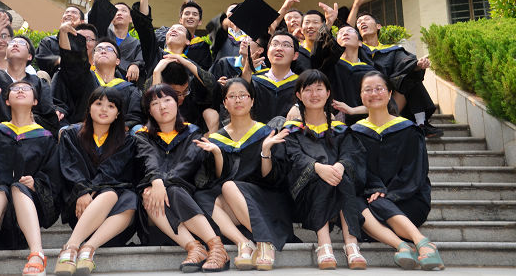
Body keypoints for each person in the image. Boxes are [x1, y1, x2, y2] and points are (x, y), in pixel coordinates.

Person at [0, 80, 61, 276]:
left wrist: (36, 184)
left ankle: (37, 254)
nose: (20, 90)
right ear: (7, 101)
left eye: (26, 88)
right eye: (15, 89)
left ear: (35, 101)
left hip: (30, 220)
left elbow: (54, 178)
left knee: (17, 187)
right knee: (0, 191)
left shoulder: (46, 137)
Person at [194, 78, 293, 270]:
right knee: (201, 197)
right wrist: (217, 154)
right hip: (235, 203)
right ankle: (243, 242)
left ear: (252, 100)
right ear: (224, 103)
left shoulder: (267, 133)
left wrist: (265, 151)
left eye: (242, 95)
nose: (238, 100)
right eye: (231, 96)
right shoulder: (217, 138)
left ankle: (265, 242)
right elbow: (218, 178)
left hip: (265, 200)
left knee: (229, 186)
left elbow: (272, 179)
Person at [350, 72, 444, 271]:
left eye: (379, 89)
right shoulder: (355, 133)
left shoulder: (409, 130)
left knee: (373, 203)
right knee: (352, 202)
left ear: (390, 93)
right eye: (368, 90)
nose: (373, 93)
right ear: (361, 96)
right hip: (371, 201)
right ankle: (408, 246)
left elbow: (416, 172)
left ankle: (417, 242)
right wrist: (376, 190)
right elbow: (358, 170)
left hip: (408, 200)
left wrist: (388, 194)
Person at [134, 84, 229, 272]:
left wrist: (163, 183)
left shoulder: (192, 133)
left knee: (174, 190)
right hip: (156, 204)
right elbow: (148, 159)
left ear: (177, 103)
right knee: (148, 193)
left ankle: (216, 248)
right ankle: (195, 248)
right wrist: (156, 181)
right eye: (155, 103)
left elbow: (187, 164)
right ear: (149, 111)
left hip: (185, 195)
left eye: (167, 100)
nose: (162, 106)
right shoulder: (142, 136)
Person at [283, 70, 367, 270]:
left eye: (319, 89)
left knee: (340, 176)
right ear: (298, 95)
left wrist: (339, 165)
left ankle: (351, 244)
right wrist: (317, 167)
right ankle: (324, 243)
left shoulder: (339, 128)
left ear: (328, 93)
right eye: (308, 90)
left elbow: (351, 154)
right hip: (303, 195)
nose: (314, 94)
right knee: (324, 178)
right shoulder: (292, 129)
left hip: (339, 185)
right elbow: (292, 156)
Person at [54, 87, 137, 275]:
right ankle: (73, 246)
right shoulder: (71, 135)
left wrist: (88, 190)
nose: (104, 109)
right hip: (80, 208)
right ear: (89, 108)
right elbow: (69, 167)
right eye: (99, 103)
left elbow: (111, 171)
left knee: (126, 198)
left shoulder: (126, 141)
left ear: (118, 113)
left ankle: (86, 248)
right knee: (109, 194)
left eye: (111, 106)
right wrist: (82, 191)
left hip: (114, 222)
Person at [348, 0, 442, 138]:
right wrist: (356, 4)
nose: (362, 22)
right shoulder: (357, 49)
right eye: (359, 22)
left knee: (410, 75)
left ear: (378, 26)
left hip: (393, 99)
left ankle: (421, 123)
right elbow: (346, 30)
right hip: (365, 98)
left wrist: (417, 65)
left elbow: (405, 63)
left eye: (366, 19)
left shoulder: (392, 50)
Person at [132, 0, 218, 133]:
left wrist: (185, 62)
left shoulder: (191, 64)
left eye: (179, 30)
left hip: (186, 125)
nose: (173, 30)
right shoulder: (156, 54)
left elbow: (212, 85)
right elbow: (144, 28)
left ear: (188, 41)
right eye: (171, 29)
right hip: (155, 125)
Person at [54, 21, 143, 128]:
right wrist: (64, 34)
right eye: (99, 49)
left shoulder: (130, 89)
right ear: (93, 59)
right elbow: (70, 61)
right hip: (83, 131)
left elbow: (134, 117)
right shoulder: (84, 78)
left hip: (118, 134)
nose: (103, 51)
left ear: (118, 61)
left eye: (109, 49)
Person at [86, 0, 145, 83]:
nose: (119, 13)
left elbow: (142, 59)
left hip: (125, 83)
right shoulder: (103, 34)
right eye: (116, 11)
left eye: (124, 11)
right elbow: (97, 18)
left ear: (131, 19)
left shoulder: (136, 44)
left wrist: (135, 65)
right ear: (111, 17)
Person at [241, 32, 300, 124]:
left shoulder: (302, 85)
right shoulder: (254, 80)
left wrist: (298, 106)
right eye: (275, 44)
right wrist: (246, 72)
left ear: (295, 55)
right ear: (268, 52)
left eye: (286, 45)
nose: (279, 48)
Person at [35, 5, 85, 76]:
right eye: (66, 12)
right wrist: (61, 60)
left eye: (74, 12)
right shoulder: (48, 41)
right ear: (61, 20)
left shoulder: (85, 42)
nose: (69, 14)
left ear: (82, 22)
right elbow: (42, 58)